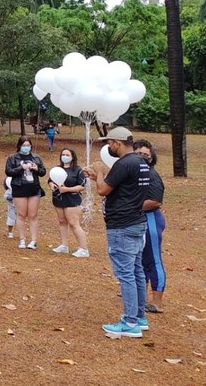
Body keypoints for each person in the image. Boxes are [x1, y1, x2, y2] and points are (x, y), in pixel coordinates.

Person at [86, 127, 151, 338]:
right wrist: (97, 176)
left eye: (110, 143)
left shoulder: (123, 163)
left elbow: (103, 190)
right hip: (137, 221)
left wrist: (101, 173)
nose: (109, 147)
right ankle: (139, 318)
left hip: (122, 225)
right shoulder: (140, 162)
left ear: (119, 143)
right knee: (136, 270)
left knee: (126, 274)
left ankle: (130, 322)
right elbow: (123, 187)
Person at [134, 139, 166, 314]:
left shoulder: (152, 176)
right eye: (137, 153)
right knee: (139, 260)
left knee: (153, 260)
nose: (141, 157)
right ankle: (140, 294)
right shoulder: (134, 174)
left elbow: (155, 201)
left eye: (145, 154)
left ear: (152, 157)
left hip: (151, 219)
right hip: (136, 220)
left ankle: (156, 302)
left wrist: (130, 206)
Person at [4, 136, 46, 250]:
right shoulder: (13, 158)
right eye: (24, 145)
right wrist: (21, 168)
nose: (26, 147)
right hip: (19, 188)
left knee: (33, 215)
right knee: (21, 215)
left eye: (28, 145)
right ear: (19, 146)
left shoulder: (36, 157)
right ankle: (22, 239)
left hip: (34, 188)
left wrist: (37, 169)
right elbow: (8, 171)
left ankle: (33, 240)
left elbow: (43, 172)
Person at [47, 148, 89, 258]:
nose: (65, 156)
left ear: (72, 157)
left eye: (67, 154)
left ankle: (84, 248)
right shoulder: (57, 169)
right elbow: (50, 180)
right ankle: (64, 245)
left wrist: (67, 189)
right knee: (62, 221)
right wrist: (52, 185)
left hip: (72, 200)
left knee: (74, 223)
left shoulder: (78, 170)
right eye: (63, 154)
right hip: (58, 199)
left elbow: (82, 186)